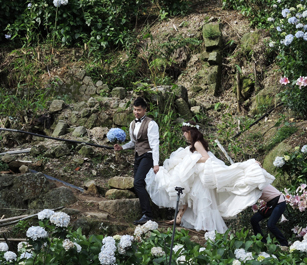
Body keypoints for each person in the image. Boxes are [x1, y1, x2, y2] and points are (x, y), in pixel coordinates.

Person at [145, 121, 273, 233]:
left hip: (202, 173)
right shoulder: (194, 144)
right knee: (189, 194)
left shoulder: (197, 143)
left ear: (190, 132)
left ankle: (205, 224)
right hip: (198, 173)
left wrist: (193, 161)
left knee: (201, 197)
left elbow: (206, 157)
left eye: (185, 132)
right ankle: (179, 217)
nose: (184, 134)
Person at [114, 97, 160, 225]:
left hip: (148, 155)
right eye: (134, 110)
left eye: (139, 110)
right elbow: (133, 142)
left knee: (138, 183)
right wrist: (122, 147)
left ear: (145, 110)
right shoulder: (132, 124)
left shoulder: (151, 124)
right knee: (138, 184)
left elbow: (155, 145)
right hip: (138, 155)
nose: (136, 112)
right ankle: (145, 212)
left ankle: (148, 215)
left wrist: (156, 163)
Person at [250, 177, 288, 247]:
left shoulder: (258, 184)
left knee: (271, 224)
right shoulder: (253, 186)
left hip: (279, 202)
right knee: (254, 219)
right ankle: (261, 242)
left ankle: (284, 244)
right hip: (270, 204)